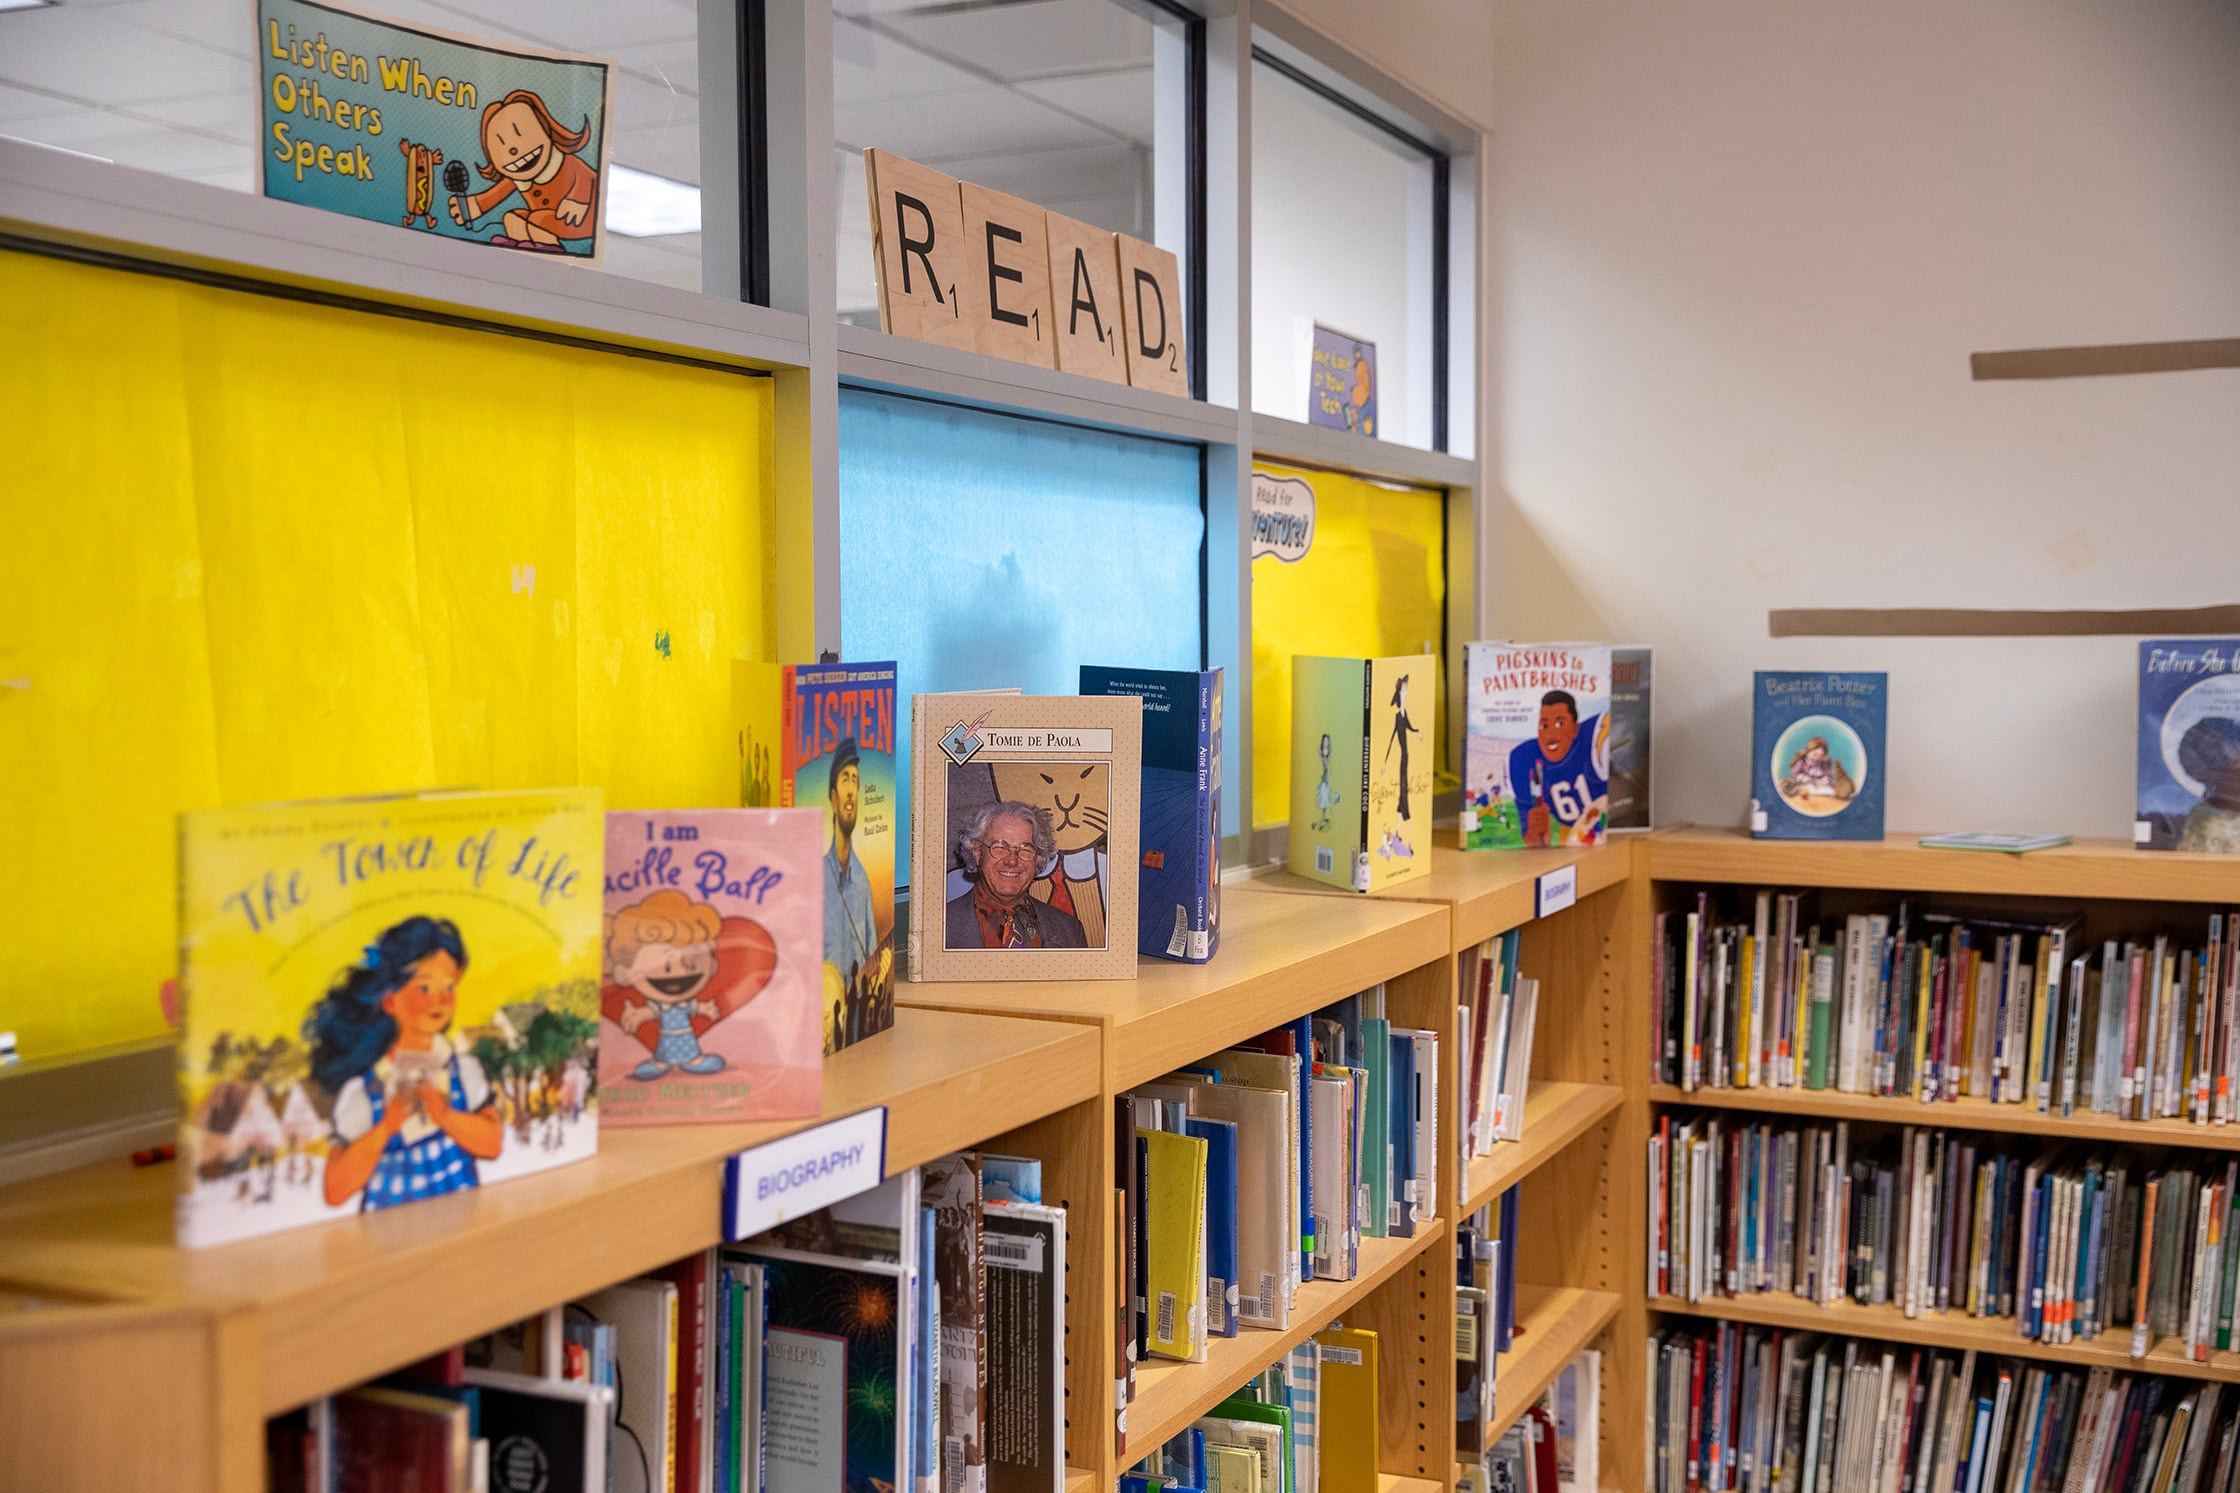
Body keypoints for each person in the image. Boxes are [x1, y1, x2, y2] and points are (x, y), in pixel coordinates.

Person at [306, 916, 503, 1212]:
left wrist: (445, 1115)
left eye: (449, 987)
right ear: (389, 1001)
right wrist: (387, 1126)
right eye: (424, 989)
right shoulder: (365, 1090)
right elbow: (335, 1190)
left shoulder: (463, 1071)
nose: (440, 1000)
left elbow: (493, 1144)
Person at [450, 90, 599, 253]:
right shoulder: (518, 177)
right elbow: (499, 192)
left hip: (578, 219)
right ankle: (521, 247)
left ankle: (551, 249)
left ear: (545, 128)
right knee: (511, 218)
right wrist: (476, 204)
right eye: (501, 143)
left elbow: (590, 177)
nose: (513, 149)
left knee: (536, 219)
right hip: (549, 219)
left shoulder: (565, 162)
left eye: (520, 133)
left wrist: (578, 198)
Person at [608, 889, 727, 1079]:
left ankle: (693, 1060)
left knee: (689, 1048)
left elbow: (695, 1007)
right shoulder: (661, 1006)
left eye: (692, 963)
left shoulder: (685, 1004)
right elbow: (651, 1012)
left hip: (686, 1039)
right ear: (627, 972)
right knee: (663, 1050)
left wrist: (706, 1009)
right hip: (667, 1039)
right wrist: (638, 1015)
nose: (680, 974)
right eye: (667, 967)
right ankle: (660, 1062)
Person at [947, 801, 1088, 950]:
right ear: (977, 852)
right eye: (1000, 847)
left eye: (1025, 849)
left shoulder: (1070, 931)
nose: (1012, 860)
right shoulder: (937, 927)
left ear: (1038, 858)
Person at [824, 738, 889, 1038]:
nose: (852, 790)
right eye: (845, 779)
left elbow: (871, 964)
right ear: (834, 797)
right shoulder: (814, 877)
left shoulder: (862, 880)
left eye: (856, 781)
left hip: (854, 1030)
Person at [1509, 689, 1609, 847]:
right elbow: (1532, 842)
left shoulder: (1596, 738)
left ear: (1576, 729)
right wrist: (1536, 834)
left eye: (1559, 724)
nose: (1550, 735)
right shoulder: (1523, 760)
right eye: (1544, 725)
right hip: (1576, 842)